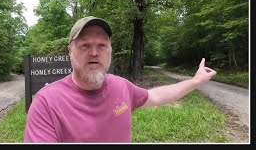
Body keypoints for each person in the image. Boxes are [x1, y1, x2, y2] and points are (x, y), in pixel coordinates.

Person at [24, 16, 217, 143]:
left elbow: (156, 96)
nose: (94, 53)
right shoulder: (46, 103)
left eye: (102, 45)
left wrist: (195, 82)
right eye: (85, 45)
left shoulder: (121, 86)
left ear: (110, 51)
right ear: (70, 51)